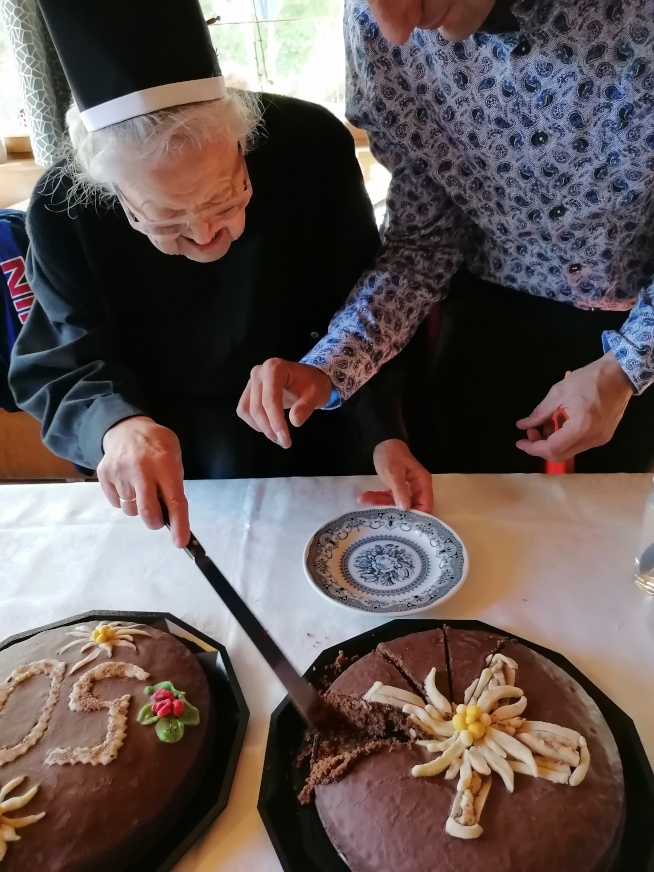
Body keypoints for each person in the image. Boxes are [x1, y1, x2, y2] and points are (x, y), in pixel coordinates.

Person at [8, 0, 433, 549]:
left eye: (226, 196)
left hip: (319, 429)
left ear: (242, 140)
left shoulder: (310, 146)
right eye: (166, 217)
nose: (207, 234)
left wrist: (384, 434)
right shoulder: (63, 207)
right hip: (171, 464)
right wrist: (116, 428)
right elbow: (64, 360)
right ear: (112, 191)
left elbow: (368, 304)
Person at [240, 0, 654, 474]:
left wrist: (627, 364)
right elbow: (424, 243)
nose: (396, 31)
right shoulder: (376, 30)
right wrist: (329, 365)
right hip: (489, 313)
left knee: (611, 524)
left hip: (641, 313)